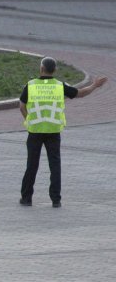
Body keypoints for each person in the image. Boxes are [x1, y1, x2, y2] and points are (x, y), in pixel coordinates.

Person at [19, 56, 107, 207]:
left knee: (32, 165)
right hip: (53, 131)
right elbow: (80, 93)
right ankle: (56, 200)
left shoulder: (31, 85)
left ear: (41, 68)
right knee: (55, 165)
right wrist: (95, 85)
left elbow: (22, 105)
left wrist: (29, 121)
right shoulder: (60, 86)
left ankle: (26, 199)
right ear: (55, 70)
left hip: (35, 131)